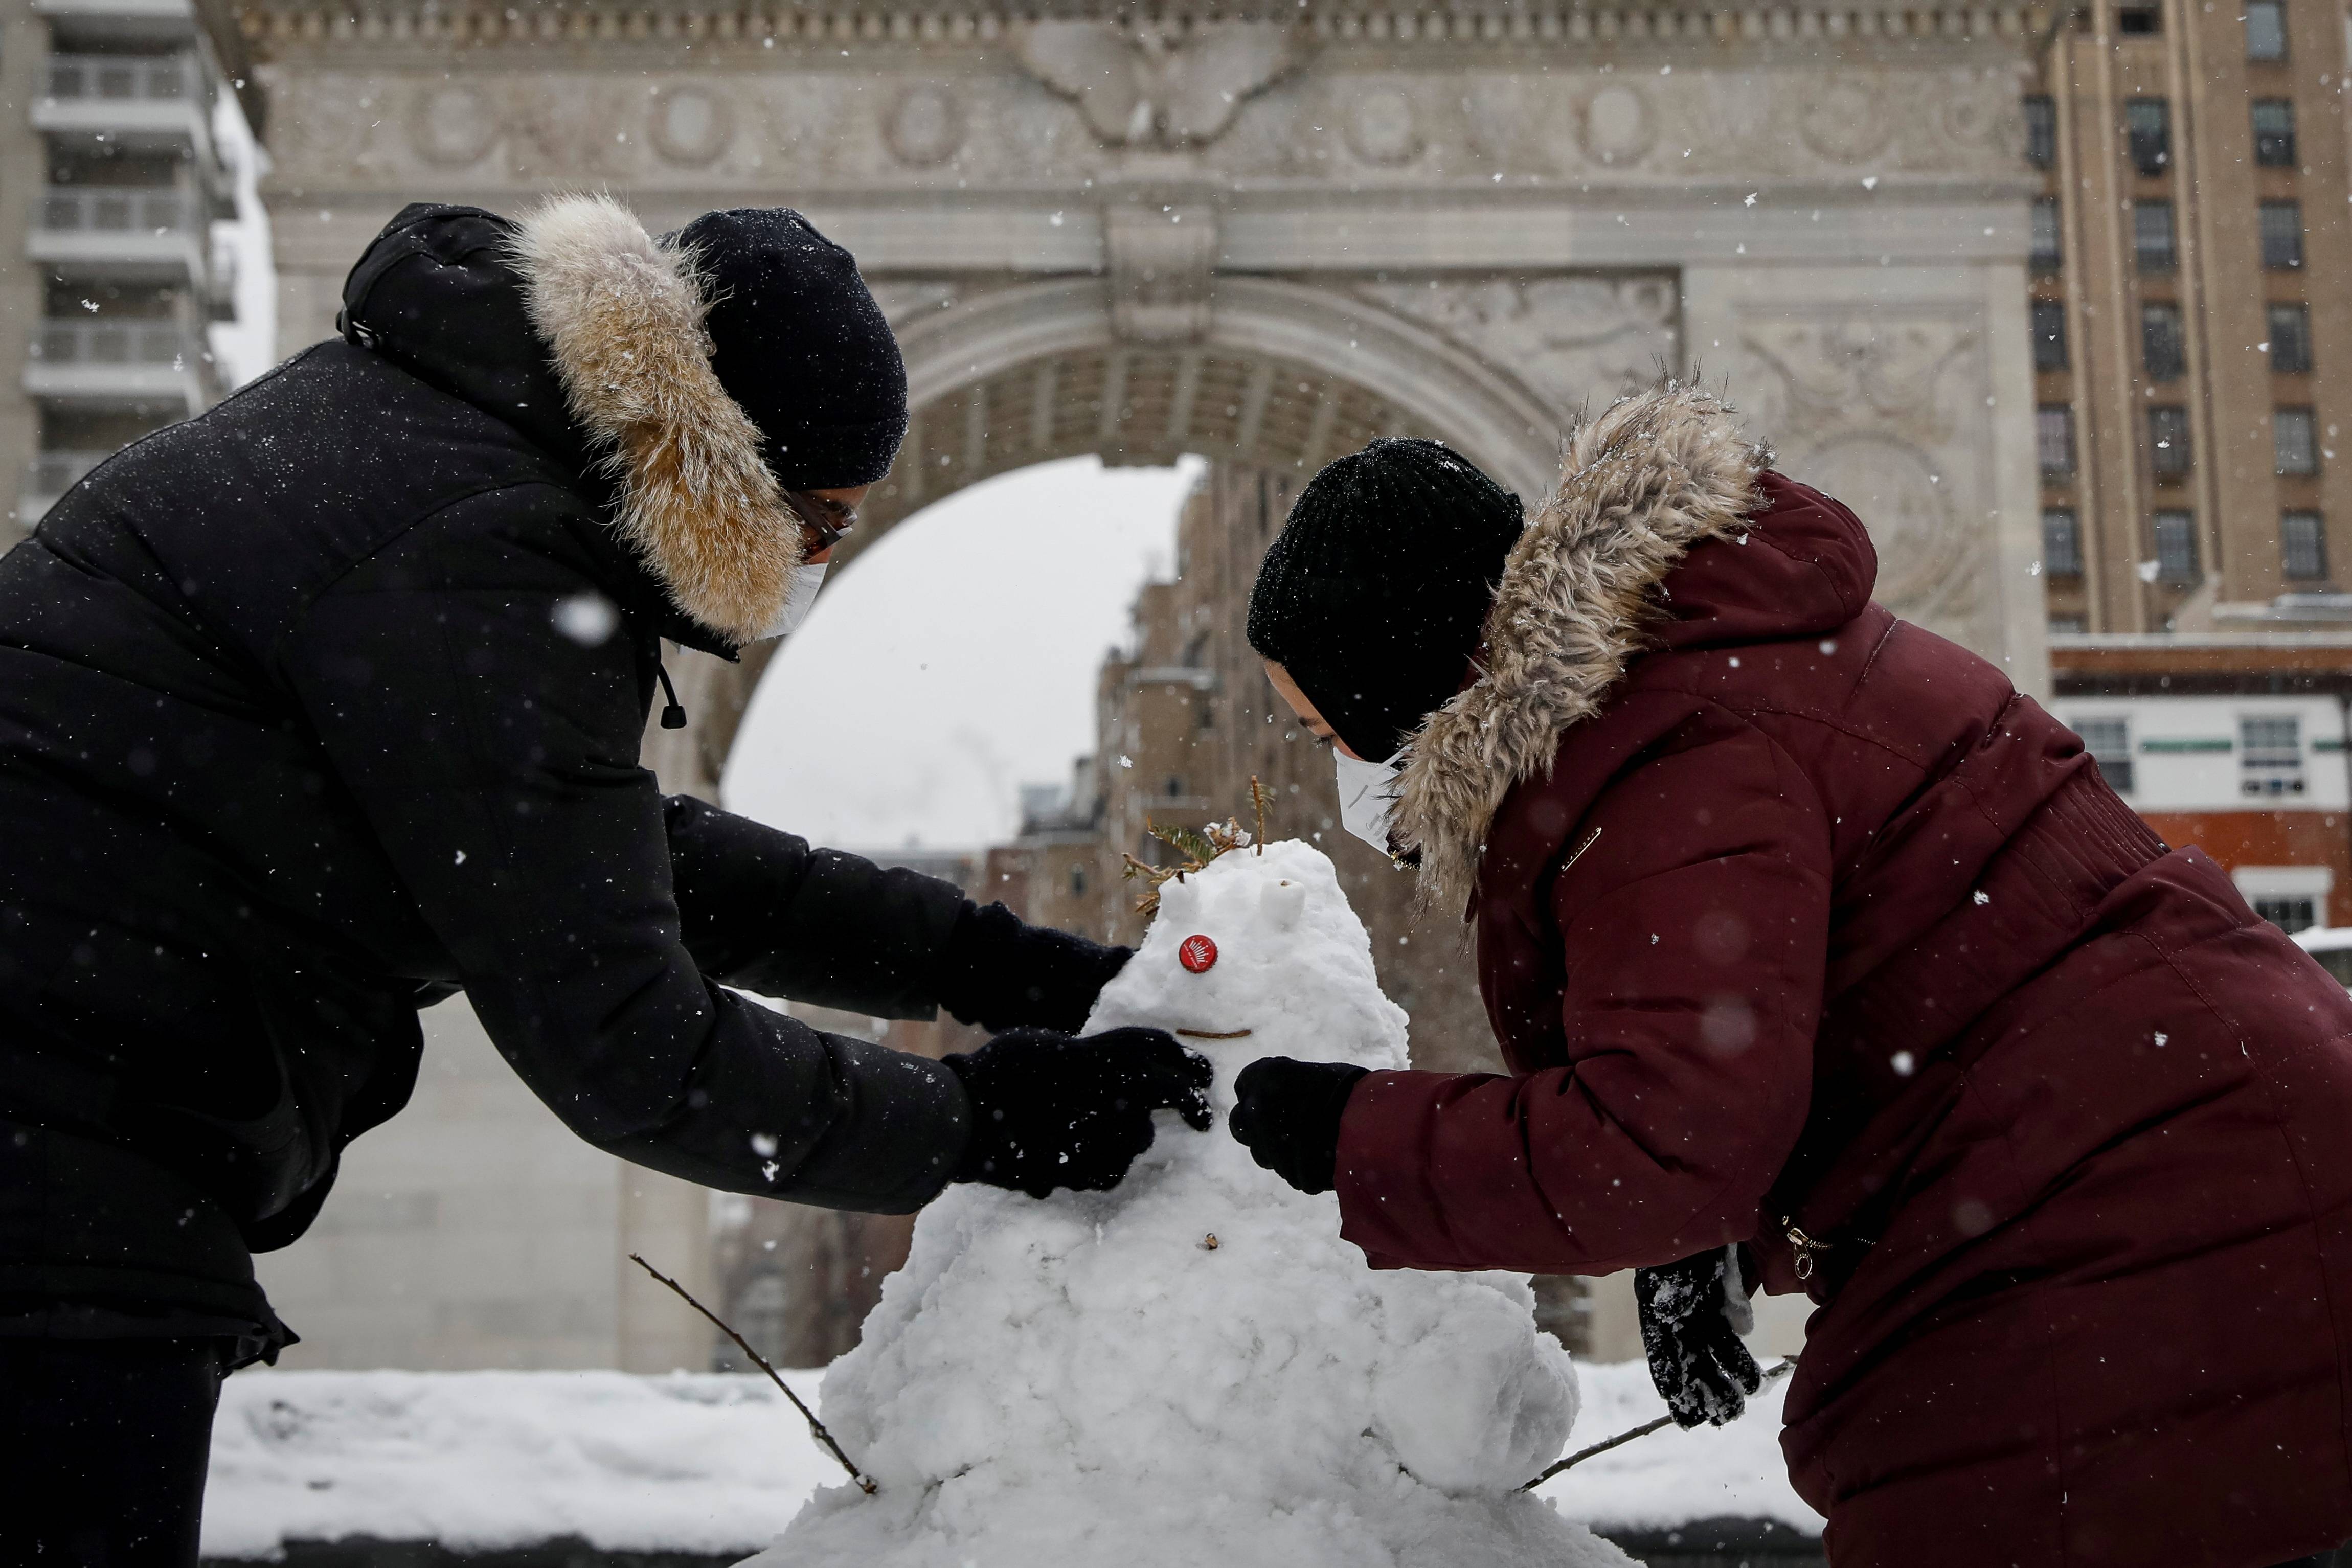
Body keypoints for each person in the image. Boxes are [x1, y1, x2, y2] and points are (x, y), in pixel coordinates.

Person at [0, 195, 1210, 1565]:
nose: (812, 570)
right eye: (820, 529)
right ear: (730, 463)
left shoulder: (447, 449)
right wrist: (987, 1120)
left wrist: (994, 964)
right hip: (59, 1151)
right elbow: (631, 1045)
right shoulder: (484, 549)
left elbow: (601, 857)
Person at [1226, 385, 2352, 1567]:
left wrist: (1342, 1131)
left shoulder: (1668, 750)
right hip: (2194, 1163)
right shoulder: (1691, 677)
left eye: (1323, 735)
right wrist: (1706, 1241)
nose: (1333, 777)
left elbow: (1658, 1144)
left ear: (1401, 691)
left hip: (2139, 1228)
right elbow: (1810, 1019)